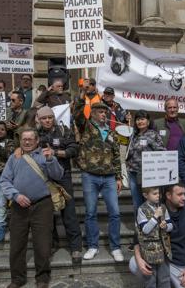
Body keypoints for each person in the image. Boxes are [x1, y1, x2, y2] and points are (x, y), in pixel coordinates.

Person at [1, 129, 64, 288]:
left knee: (42, 244)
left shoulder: (45, 155)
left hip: (42, 205)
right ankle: (17, 279)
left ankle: (42, 278)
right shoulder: (13, 158)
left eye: (30, 139)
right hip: (18, 206)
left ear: (36, 141)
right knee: (16, 245)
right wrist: (16, 196)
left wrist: (51, 160)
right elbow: (5, 181)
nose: (27, 142)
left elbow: (58, 175)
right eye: (24, 139)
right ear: (20, 141)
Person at [74, 99, 123, 262]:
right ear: (93, 114)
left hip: (109, 177)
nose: (104, 115)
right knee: (90, 212)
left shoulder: (111, 132)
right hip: (90, 175)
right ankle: (92, 246)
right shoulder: (86, 126)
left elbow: (117, 156)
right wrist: (81, 98)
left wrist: (118, 177)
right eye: (100, 112)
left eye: (105, 112)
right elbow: (77, 115)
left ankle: (115, 247)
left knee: (115, 213)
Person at [131, 183, 185, 288]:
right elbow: (137, 237)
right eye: (180, 194)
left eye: (184, 194)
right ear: (168, 195)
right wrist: (139, 259)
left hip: (179, 264)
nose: (184, 198)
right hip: (157, 256)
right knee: (134, 264)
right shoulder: (154, 208)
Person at [36, 106, 83, 264]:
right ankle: (51, 245)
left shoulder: (64, 130)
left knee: (68, 212)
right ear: (39, 119)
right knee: (46, 214)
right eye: (44, 118)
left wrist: (56, 153)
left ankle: (76, 247)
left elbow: (74, 149)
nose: (47, 120)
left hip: (63, 175)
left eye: (50, 117)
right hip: (44, 178)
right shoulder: (35, 134)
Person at [126, 110, 166, 214]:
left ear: (148, 122)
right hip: (133, 173)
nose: (140, 121)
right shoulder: (132, 135)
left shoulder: (153, 135)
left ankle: (153, 227)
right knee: (136, 203)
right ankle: (139, 227)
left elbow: (162, 151)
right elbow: (128, 153)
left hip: (148, 174)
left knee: (150, 202)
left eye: (143, 119)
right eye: (138, 119)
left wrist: (150, 142)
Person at [134, 187, 174, 288]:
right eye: (154, 193)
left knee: (164, 278)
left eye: (159, 193)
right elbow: (145, 230)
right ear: (145, 195)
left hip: (164, 250)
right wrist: (155, 217)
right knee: (150, 279)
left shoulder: (163, 207)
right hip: (149, 251)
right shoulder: (141, 209)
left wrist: (166, 226)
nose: (158, 195)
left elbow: (171, 226)